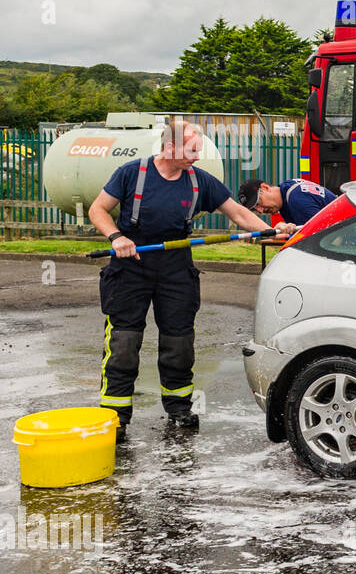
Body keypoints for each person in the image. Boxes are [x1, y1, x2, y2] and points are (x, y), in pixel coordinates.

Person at [87, 121, 294, 439]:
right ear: (169, 147)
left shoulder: (200, 182)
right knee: (124, 343)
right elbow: (98, 209)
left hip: (175, 268)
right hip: (130, 266)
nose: (197, 156)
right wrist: (116, 237)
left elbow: (238, 213)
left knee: (178, 343)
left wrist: (271, 231)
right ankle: (115, 415)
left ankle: (179, 408)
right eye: (192, 149)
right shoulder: (131, 173)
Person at [236, 177, 337, 233]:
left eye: (258, 203)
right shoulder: (288, 189)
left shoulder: (296, 199)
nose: (261, 211)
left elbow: (314, 238)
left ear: (266, 187)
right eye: (255, 209)